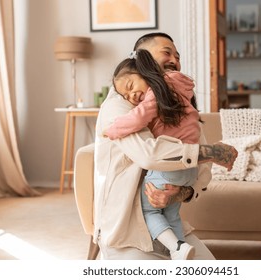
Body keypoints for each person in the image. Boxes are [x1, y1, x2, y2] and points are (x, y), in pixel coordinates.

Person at [94, 32, 238, 260]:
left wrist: (183, 192)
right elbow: (149, 155)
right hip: (126, 232)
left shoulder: (178, 104)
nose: (175, 60)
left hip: (169, 226)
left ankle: (176, 247)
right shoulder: (118, 104)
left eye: (177, 56)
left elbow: (203, 171)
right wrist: (210, 153)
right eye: (166, 52)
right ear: (143, 60)